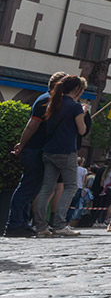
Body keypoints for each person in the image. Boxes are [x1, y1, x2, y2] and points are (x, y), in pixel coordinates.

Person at [5, 71, 68, 237]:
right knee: (27, 187)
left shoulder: (50, 100)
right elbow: (32, 125)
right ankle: (14, 224)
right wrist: (22, 144)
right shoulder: (45, 100)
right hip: (34, 149)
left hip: (37, 149)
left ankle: (21, 222)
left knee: (31, 188)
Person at [32, 75, 89, 237]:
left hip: (49, 150)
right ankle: (59, 224)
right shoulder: (75, 106)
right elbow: (82, 130)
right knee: (71, 186)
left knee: (46, 188)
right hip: (66, 151)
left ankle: (41, 226)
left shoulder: (53, 103)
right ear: (77, 89)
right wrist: (83, 113)